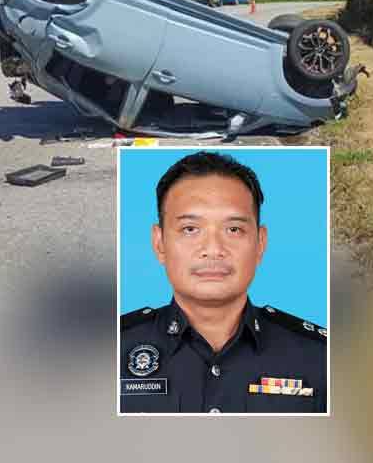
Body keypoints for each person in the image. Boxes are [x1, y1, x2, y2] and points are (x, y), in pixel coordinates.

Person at [120, 151, 326, 414]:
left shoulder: (320, 357)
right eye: (190, 229)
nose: (214, 249)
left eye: (234, 230)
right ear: (159, 243)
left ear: (260, 244)